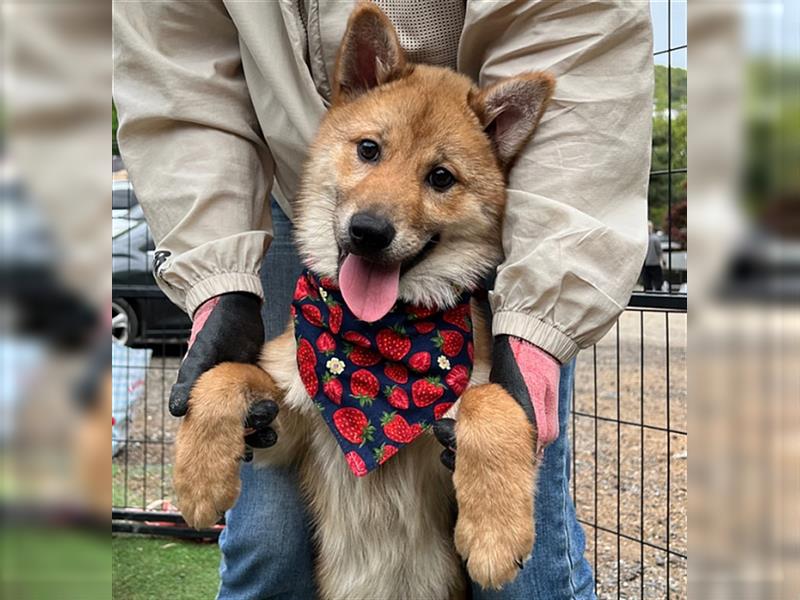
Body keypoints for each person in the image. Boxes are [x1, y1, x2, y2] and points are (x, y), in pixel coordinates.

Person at [114, 2, 653, 598]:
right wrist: (217, 320)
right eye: (369, 150)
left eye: (439, 179)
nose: (380, 208)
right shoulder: (311, 328)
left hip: (527, 197)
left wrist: (522, 361)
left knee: (530, 557)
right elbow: (282, 428)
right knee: (267, 536)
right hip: (283, 171)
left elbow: (580, 40)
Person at [643, 221, 666, 291]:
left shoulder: (644, 239)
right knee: (658, 282)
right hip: (655, 264)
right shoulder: (655, 239)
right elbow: (659, 251)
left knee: (647, 284)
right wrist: (662, 260)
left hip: (646, 264)